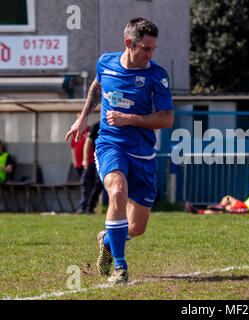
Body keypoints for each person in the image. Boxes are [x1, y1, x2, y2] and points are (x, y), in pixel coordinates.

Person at [65, 17, 174, 284]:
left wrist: (130, 119)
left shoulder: (156, 76)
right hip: (110, 145)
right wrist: (82, 118)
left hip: (143, 153)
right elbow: (96, 86)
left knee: (137, 227)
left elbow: (166, 119)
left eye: (153, 49)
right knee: (116, 191)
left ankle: (108, 239)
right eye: (146, 49)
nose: (150, 54)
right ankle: (120, 267)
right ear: (129, 43)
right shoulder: (106, 62)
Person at [185, 167, 249, 215]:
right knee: (227, 198)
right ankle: (220, 206)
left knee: (225, 210)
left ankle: (199, 212)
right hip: (245, 204)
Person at [81, 121, 103, 214]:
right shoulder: (96, 126)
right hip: (99, 158)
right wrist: (85, 159)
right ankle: (89, 207)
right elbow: (87, 143)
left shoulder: (116, 122)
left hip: (114, 157)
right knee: (98, 184)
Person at [70, 113, 90, 179]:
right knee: (81, 180)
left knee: (88, 180)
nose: (80, 120)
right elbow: (73, 147)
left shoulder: (90, 130)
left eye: (82, 118)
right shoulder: (75, 132)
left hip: (89, 161)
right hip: (78, 162)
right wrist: (74, 161)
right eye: (78, 119)